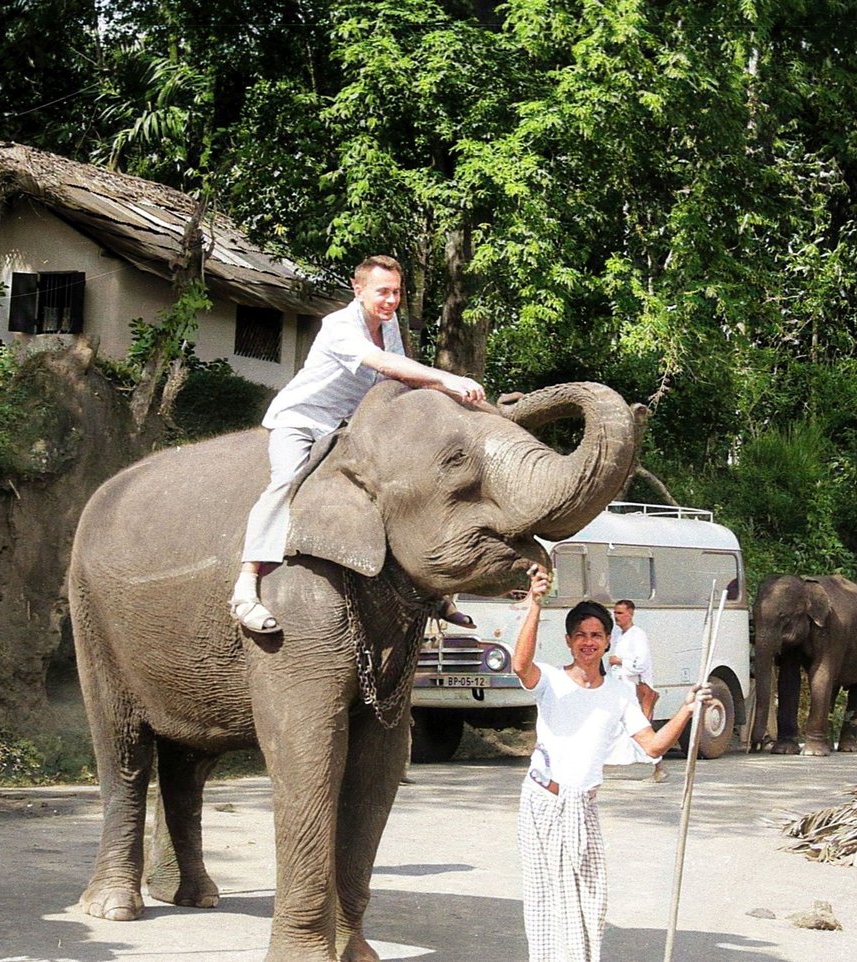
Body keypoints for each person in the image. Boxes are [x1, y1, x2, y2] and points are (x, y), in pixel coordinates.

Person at [230, 254, 485, 634]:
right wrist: (447, 379)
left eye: (396, 293)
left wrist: (449, 400)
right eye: (383, 292)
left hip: (350, 428)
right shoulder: (338, 326)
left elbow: (398, 381)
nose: (391, 300)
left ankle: (430, 589)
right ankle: (246, 585)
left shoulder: (389, 322)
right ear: (358, 288)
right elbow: (383, 364)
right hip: (303, 421)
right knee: (285, 481)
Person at [512, 565, 711, 962]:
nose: (589, 643)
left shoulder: (619, 693)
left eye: (597, 635)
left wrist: (686, 711)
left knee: (591, 904)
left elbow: (652, 746)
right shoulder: (551, 679)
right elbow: (520, 666)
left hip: (583, 808)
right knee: (548, 906)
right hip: (544, 804)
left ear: (607, 641)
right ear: (569, 641)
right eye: (581, 635)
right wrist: (534, 603)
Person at [609, 598, 666, 781]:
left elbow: (641, 663)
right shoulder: (619, 635)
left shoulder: (638, 635)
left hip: (633, 688)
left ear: (630, 613)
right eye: (615, 612)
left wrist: (619, 661)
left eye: (620, 613)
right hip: (620, 686)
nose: (616, 616)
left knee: (640, 728)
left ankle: (658, 766)